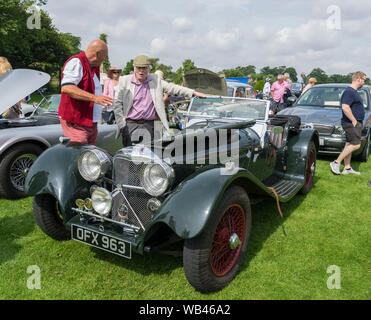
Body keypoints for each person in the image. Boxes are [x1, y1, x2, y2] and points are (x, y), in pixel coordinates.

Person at [113, 54, 206, 147]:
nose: (141, 71)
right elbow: (117, 103)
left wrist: (193, 93)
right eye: (138, 68)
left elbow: (172, 88)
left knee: (148, 156)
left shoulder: (155, 79)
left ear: (149, 68)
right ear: (134, 68)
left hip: (149, 125)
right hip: (130, 125)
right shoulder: (124, 81)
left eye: (144, 68)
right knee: (130, 156)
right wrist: (122, 125)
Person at [58, 39, 113, 145]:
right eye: (104, 56)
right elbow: (67, 88)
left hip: (89, 122)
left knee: (89, 156)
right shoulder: (76, 62)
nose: (105, 59)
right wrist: (95, 98)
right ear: (97, 54)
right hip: (76, 122)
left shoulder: (93, 66)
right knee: (79, 154)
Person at [330, 71, 367, 175]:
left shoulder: (354, 91)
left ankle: (347, 168)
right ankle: (336, 162)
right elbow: (345, 107)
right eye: (364, 80)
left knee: (349, 144)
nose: (364, 82)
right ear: (358, 79)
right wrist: (354, 120)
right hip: (351, 123)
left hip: (354, 122)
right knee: (356, 145)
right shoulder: (349, 91)